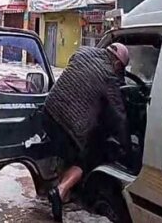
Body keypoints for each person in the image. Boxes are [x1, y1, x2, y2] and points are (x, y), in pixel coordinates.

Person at [43, 43, 130, 222]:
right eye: (120, 69)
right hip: (69, 126)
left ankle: (64, 195)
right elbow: (119, 114)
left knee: (67, 153)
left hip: (48, 113)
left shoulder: (82, 51)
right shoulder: (109, 76)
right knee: (85, 160)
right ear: (117, 64)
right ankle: (59, 192)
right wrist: (127, 145)